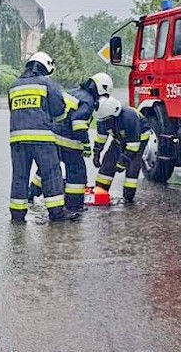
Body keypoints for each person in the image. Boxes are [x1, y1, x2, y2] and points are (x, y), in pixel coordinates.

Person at [8, 51, 79, 224]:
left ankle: (17, 216)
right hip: (42, 139)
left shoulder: (14, 85)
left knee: (19, 176)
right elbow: (59, 110)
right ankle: (57, 214)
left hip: (17, 140)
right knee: (51, 174)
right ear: (45, 66)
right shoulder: (47, 83)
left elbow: (13, 110)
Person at [28, 72, 114, 213]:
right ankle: (74, 206)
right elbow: (78, 122)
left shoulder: (73, 92)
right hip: (68, 142)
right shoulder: (88, 101)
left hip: (52, 137)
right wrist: (86, 144)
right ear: (100, 89)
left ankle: (31, 194)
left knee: (48, 168)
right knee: (77, 172)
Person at [92, 96, 151, 203]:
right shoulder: (103, 118)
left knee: (132, 167)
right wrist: (96, 153)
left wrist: (122, 162)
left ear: (115, 115)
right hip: (119, 138)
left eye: (108, 121)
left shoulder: (129, 118)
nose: (106, 123)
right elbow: (101, 138)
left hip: (138, 139)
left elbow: (133, 146)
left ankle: (128, 197)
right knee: (108, 161)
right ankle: (101, 192)